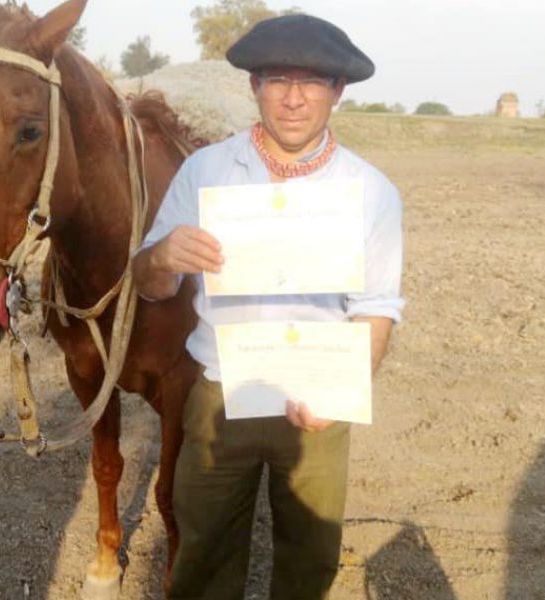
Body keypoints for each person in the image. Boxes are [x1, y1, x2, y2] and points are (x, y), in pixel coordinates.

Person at [132, 13, 404, 600]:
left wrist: (342, 391)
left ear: (339, 91)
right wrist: (161, 258)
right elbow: (147, 284)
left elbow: (377, 307)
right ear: (253, 87)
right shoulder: (205, 171)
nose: (293, 99)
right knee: (202, 554)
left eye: (312, 82)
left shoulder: (372, 191)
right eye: (277, 80)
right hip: (219, 394)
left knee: (309, 560)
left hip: (317, 402)